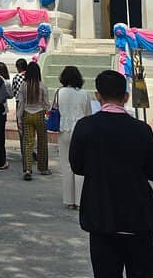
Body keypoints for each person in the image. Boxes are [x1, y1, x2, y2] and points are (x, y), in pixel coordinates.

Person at [69, 70, 153, 278]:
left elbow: (77, 166)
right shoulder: (141, 129)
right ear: (126, 97)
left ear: (97, 96)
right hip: (138, 217)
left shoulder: (85, 127)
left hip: (102, 215)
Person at [54, 65, 91, 209]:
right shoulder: (84, 94)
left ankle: (69, 200)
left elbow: (56, 109)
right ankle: (80, 200)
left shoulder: (59, 92)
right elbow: (88, 114)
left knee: (66, 165)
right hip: (80, 131)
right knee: (81, 166)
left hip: (64, 130)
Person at [16, 62, 49, 180]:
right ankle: (43, 168)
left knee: (28, 143)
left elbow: (20, 103)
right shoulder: (42, 86)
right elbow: (46, 104)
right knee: (42, 142)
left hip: (27, 115)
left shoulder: (23, 86)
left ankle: (28, 169)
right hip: (39, 114)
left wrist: (19, 118)